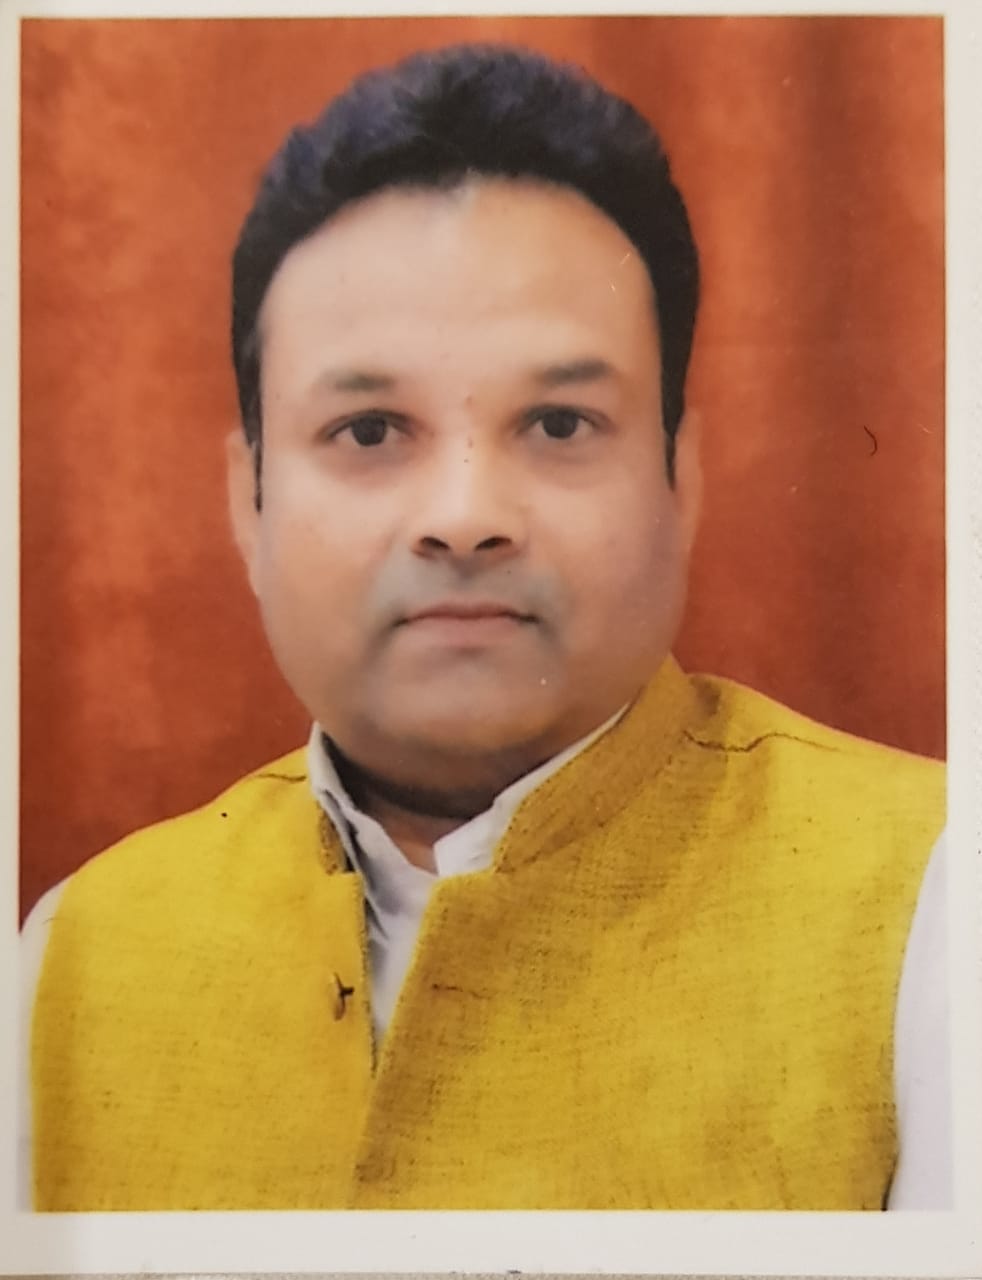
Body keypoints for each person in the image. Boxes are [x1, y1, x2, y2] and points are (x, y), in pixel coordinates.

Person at [21, 42, 947, 1212]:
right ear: (246, 505)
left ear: (683, 480)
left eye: (558, 423)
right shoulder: (73, 955)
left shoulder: (933, 897)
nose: (463, 517)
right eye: (368, 431)